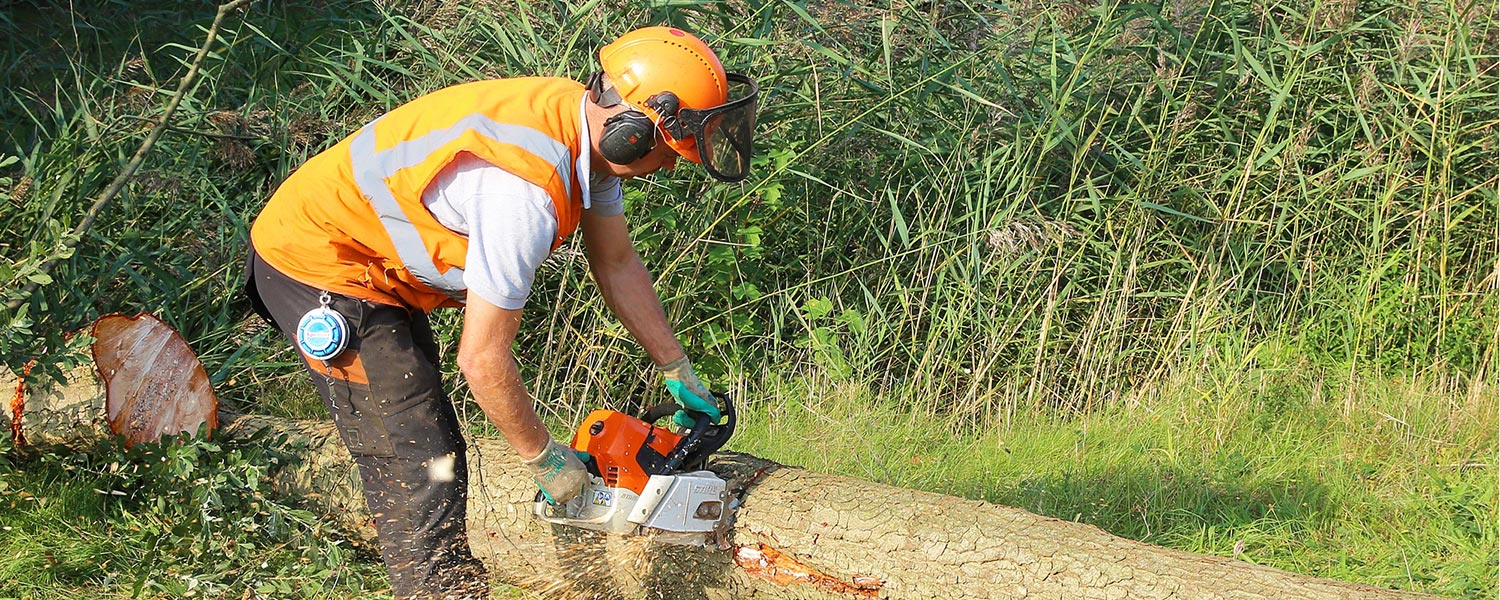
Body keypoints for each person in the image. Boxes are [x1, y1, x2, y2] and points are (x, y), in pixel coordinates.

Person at [241, 26, 757, 600]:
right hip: (319, 260)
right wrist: (546, 460)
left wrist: (676, 369)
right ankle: (441, 591)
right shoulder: (525, 191)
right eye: (669, 149)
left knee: (422, 420)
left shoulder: (577, 132)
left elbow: (615, 263)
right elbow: (482, 360)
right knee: (415, 447)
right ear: (631, 134)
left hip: (375, 262)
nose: (669, 166)